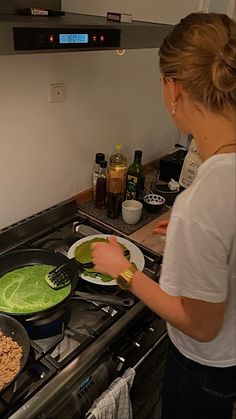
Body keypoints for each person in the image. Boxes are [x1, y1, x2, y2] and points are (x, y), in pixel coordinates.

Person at [92, 12, 236, 419]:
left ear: (173, 89)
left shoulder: (206, 198)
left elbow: (201, 325)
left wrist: (121, 270)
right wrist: (203, 236)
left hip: (206, 366)